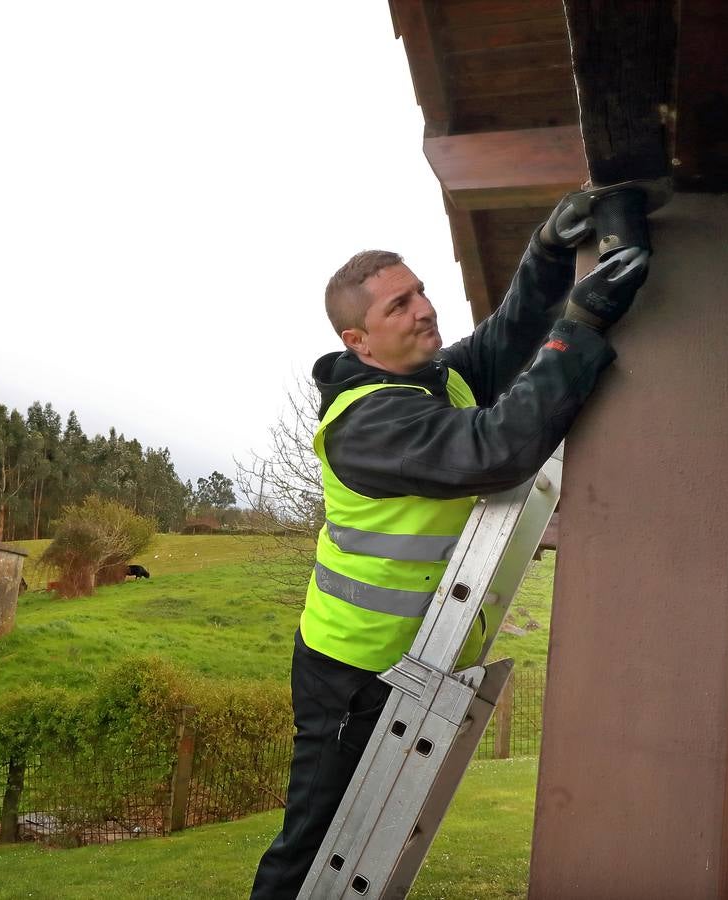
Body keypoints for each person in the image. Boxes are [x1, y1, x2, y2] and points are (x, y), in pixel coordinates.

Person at [249, 194, 651, 898]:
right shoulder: (366, 426)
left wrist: (550, 251)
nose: (423, 309)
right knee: (313, 841)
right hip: (351, 670)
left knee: (369, 834)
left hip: (406, 660)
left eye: (420, 291)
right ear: (358, 342)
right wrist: (582, 328)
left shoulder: (439, 379)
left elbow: (507, 335)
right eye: (397, 306)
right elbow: (499, 448)